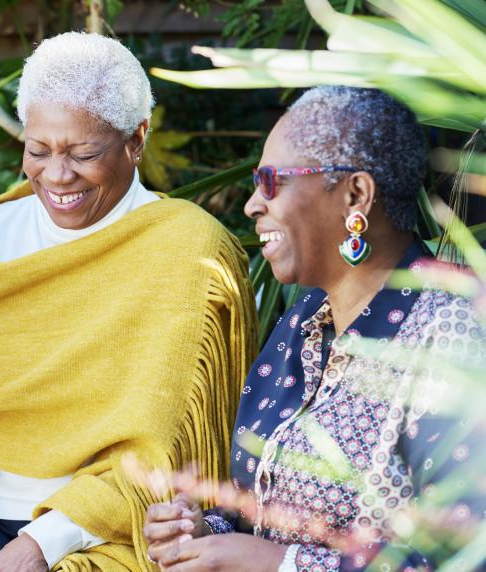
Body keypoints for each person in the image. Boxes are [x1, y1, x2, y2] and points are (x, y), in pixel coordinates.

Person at [0, 31, 257, 572]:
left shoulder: (187, 252)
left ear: (137, 139)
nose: (57, 176)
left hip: (119, 529)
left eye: (83, 154)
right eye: (38, 151)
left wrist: (37, 547)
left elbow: (158, 450)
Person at [143, 86, 486, 571]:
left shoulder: (455, 332)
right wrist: (204, 533)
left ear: (355, 195)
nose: (252, 205)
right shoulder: (305, 319)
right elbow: (258, 516)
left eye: (269, 181)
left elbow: (466, 556)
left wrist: (280, 564)